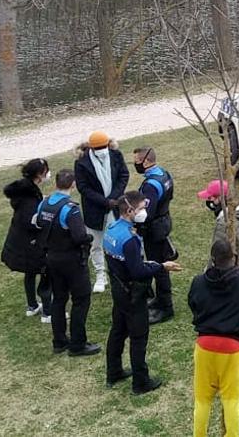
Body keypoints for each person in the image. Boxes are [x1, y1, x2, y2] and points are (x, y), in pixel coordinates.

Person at [105, 192, 183, 394]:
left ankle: (113, 371)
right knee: (138, 338)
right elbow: (138, 270)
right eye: (140, 208)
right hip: (132, 294)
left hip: (118, 289)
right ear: (129, 211)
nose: (143, 212)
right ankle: (140, 382)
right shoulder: (130, 239)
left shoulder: (111, 230)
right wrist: (161, 266)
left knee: (117, 332)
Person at [189, 240, 239, 437]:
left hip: (204, 345)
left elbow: (193, 304)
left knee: (202, 400)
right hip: (233, 347)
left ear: (212, 260)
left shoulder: (198, 282)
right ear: (234, 258)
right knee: (231, 401)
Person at [33, 169, 100, 356]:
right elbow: (79, 236)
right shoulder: (70, 209)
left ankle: (59, 341)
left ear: (56, 183)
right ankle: (78, 344)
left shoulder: (44, 204)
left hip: (51, 258)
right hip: (71, 260)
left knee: (59, 300)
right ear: (73, 185)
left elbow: (38, 224)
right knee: (81, 299)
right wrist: (89, 238)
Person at [74, 131, 130, 294]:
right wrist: (104, 201)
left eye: (103, 147)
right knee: (96, 244)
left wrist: (114, 197)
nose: (101, 150)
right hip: (94, 209)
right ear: (91, 148)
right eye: (98, 148)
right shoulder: (82, 162)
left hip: (115, 206)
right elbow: (83, 187)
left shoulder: (116, 155)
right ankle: (100, 274)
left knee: (117, 239)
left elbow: (123, 175)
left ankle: (119, 270)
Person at [2, 158, 52, 321]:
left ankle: (32, 305)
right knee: (45, 271)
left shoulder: (24, 190)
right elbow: (32, 221)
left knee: (30, 273)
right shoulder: (29, 198)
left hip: (20, 240)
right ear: (39, 174)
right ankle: (48, 312)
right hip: (31, 243)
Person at [134, 146, 178, 324]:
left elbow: (147, 213)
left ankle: (165, 307)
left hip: (154, 228)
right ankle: (159, 300)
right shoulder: (164, 174)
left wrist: (135, 224)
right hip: (164, 220)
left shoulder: (151, 185)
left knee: (159, 267)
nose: (135, 164)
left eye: (137, 160)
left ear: (146, 160)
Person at [197, 181, 239, 275]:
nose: (210, 202)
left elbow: (217, 254)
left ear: (221, 199)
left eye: (212, 198)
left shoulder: (225, 223)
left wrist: (207, 274)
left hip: (231, 273)